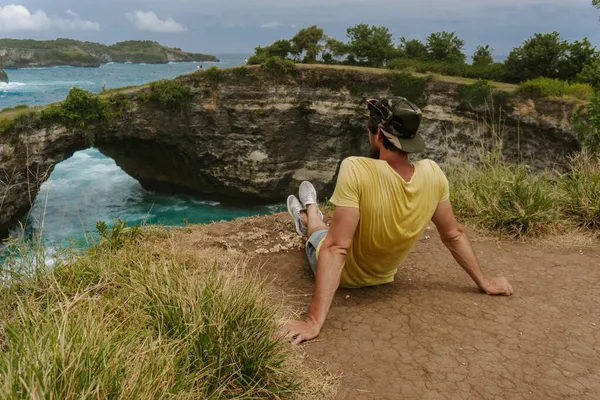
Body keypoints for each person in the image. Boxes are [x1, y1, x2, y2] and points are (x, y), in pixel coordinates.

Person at [283, 97, 513, 345]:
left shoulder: (356, 168)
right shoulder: (433, 173)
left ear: (379, 135)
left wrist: (312, 321)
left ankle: (309, 213)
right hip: (383, 274)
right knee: (340, 229)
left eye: (370, 131)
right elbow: (454, 234)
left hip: (346, 278)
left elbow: (337, 248)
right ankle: (309, 210)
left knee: (319, 235)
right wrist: (485, 283)